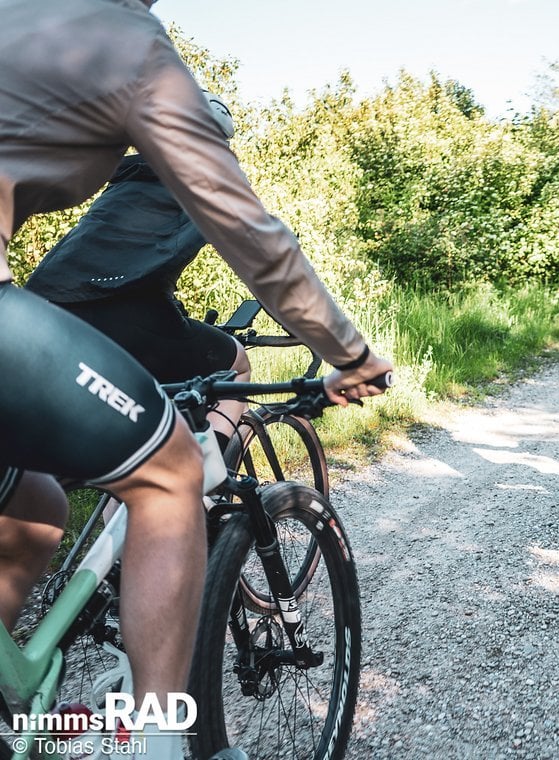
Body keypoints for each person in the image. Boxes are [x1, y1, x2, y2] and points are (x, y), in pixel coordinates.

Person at [0, 1, 393, 758]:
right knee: (168, 470)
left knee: (36, 508)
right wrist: (349, 353)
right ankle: (158, 744)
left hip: (46, 306)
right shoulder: (127, 40)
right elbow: (252, 235)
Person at [25, 91, 251, 453]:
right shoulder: (208, 187)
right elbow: (260, 263)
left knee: (132, 446)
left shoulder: (126, 178)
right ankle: (210, 466)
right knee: (236, 367)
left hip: (40, 310)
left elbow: (123, 255)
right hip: (124, 313)